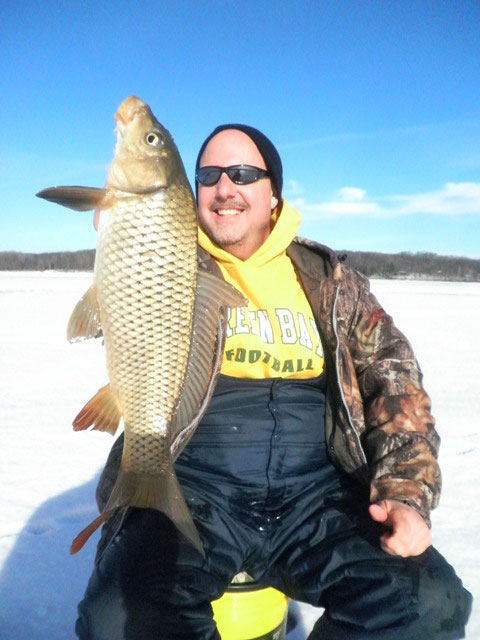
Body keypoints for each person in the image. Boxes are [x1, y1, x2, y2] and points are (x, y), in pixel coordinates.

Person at [76, 124, 472, 640]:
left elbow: (397, 388)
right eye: (209, 175)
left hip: (316, 496)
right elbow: (129, 332)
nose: (224, 188)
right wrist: (128, 239)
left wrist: (405, 493)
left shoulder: (329, 282)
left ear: (273, 193)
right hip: (196, 486)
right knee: (119, 620)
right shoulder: (169, 260)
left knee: (431, 603)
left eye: (243, 173)